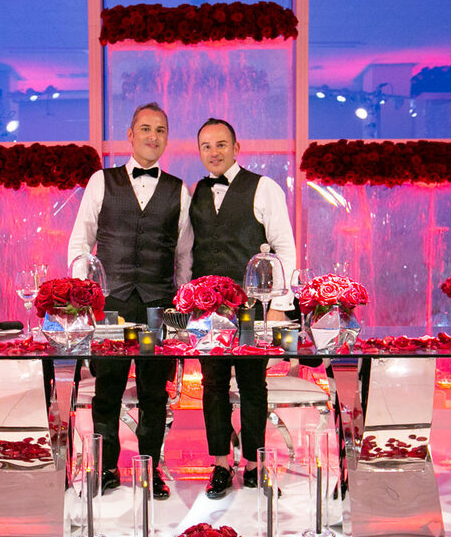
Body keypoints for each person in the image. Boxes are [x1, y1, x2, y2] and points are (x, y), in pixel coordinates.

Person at [67, 102, 191, 499]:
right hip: (112, 302)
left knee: (156, 392)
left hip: (162, 304)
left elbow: (185, 252)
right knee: (108, 389)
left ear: (166, 138)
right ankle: (106, 469)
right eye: (145, 128)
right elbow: (80, 241)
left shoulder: (178, 189)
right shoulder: (101, 181)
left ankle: (150, 468)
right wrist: (84, 296)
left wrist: (183, 305)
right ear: (131, 135)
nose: (153, 136)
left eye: (160, 130)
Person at [190, 118, 296, 498]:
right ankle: (220, 463)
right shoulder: (195, 192)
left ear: (237, 147)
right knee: (213, 385)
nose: (214, 152)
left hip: (254, 307)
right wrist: (185, 303)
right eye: (206, 146)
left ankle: (255, 464)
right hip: (207, 310)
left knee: (253, 384)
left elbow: (284, 247)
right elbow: (189, 252)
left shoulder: (264, 187)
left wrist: (280, 305)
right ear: (199, 151)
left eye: (221, 144)